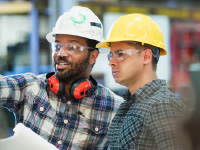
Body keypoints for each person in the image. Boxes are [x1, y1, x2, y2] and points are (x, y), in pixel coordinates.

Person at [0, 6, 123, 150]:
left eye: (72, 47)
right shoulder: (31, 87)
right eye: (57, 46)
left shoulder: (114, 109)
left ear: (93, 56)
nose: (61, 53)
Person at [96, 13, 190, 150]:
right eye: (111, 54)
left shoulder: (163, 106)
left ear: (146, 57)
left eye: (120, 54)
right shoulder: (129, 105)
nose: (111, 62)